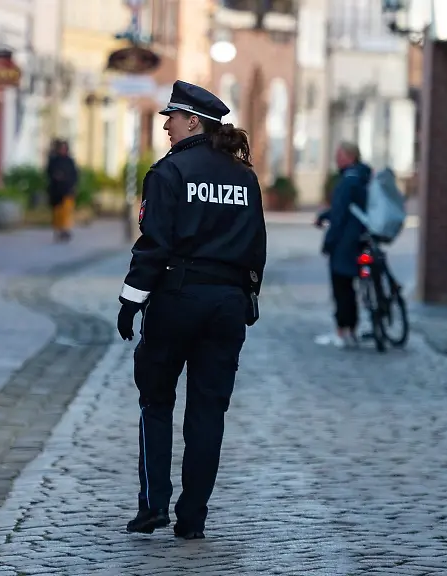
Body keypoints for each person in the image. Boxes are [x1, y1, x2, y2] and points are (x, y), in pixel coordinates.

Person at [116, 80, 267, 539]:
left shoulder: (170, 172)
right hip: (226, 306)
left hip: (177, 300)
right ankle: (193, 517)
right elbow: (256, 248)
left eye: (172, 118)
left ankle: (152, 506)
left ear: (193, 122)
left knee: (156, 401)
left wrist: (130, 300)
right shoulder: (245, 177)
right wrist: (246, 298)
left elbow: (154, 245)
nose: (166, 125)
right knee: (208, 412)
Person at [314, 142, 370, 348]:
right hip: (361, 239)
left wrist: (328, 243)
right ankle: (353, 329)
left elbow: (339, 215)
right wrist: (324, 215)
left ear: (350, 156)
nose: (337, 158)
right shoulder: (363, 177)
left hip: (345, 242)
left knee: (341, 287)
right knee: (351, 288)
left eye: (340, 154)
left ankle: (341, 331)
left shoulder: (348, 181)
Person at [46, 139, 78, 242]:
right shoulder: (54, 160)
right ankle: (58, 230)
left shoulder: (69, 161)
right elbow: (49, 173)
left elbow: (75, 174)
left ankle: (66, 229)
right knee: (58, 212)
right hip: (56, 191)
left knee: (67, 211)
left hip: (67, 190)